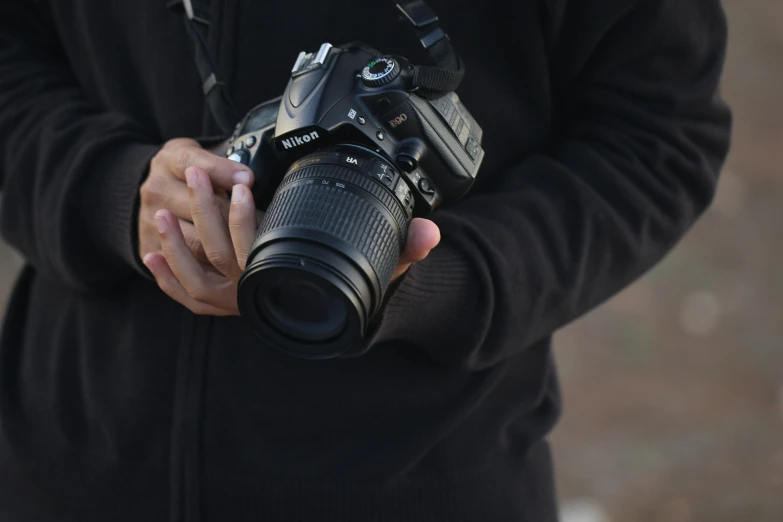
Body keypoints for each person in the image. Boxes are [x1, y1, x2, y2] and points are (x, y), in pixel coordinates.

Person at [0, 1, 731, 521]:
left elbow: (658, 132)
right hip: (71, 467)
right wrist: (115, 194)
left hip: (428, 475)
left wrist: (446, 278)